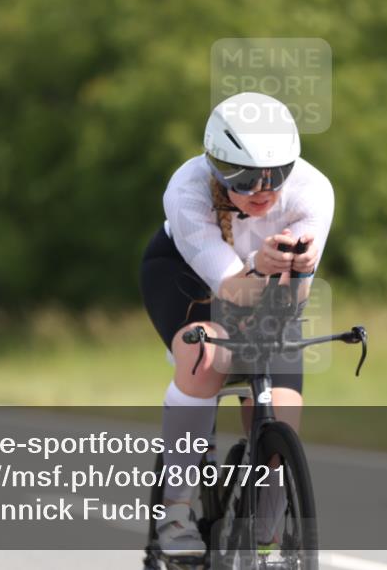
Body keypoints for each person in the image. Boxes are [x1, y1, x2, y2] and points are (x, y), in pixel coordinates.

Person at [139, 92, 334, 556]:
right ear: (216, 166)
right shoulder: (186, 189)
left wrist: (300, 271)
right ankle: (177, 510)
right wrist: (259, 265)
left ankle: (266, 537)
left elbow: (296, 296)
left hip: (267, 280)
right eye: (245, 180)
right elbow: (231, 289)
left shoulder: (313, 190)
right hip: (189, 278)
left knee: (281, 406)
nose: (263, 190)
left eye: (275, 176)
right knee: (208, 355)